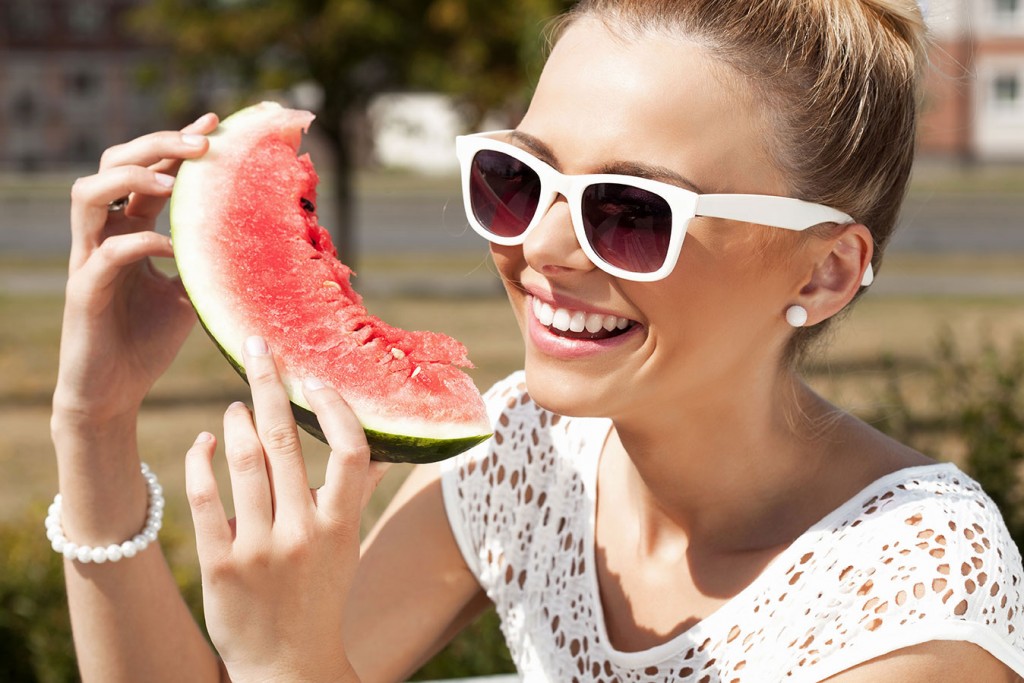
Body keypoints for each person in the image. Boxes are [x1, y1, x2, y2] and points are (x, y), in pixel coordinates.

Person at [51, 0, 1024, 681]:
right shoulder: (529, 456)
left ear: (822, 272)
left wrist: (290, 664)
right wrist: (95, 423)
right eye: (519, 181)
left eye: (630, 210)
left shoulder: (908, 598)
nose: (541, 249)